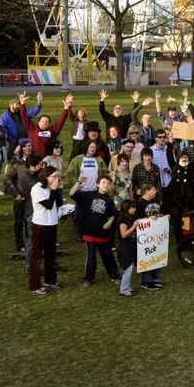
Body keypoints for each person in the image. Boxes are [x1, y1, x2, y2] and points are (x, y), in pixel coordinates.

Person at [71, 175, 120, 287]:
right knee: (91, 257)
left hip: (103, 234)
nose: (105, 185)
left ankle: (115, 276)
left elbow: (113, 214)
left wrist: (109, 223)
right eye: (103, 182)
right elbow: (72, 193)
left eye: (107, 183)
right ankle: (88, 278)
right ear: (97, 184)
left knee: (108, 256)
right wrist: (79, 182)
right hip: (89, 233)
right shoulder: (89, 195)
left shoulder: (109, 200)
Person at [28, 167, 63, 295]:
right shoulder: (36, 189)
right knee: (36, 256)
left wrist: (56, 189)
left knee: (51, 254)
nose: (56, 179)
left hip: (52, 224)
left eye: (57, 176)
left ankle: (50, 279)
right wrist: (53, 189)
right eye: (53, 176)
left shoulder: (51, 187)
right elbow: (48, 205)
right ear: (46, 176)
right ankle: (34, 284)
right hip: (40, 226)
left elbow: (58, 202)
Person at [18, 92, 73, 157]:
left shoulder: (53, 130)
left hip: (48, 159)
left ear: (49, 124)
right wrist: (22, 103)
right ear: (38, 123)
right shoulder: (32, 128)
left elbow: (61, 120)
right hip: (34, 158)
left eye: (47, 121)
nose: (44, 123)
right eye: (43, 121)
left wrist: (66, 107)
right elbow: (24, 116)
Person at [134, 184, 163, 290]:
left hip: (156, 234)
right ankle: (146, 281)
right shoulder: (139, 204)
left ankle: (155, 279)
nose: (156, 191)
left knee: (156, 255)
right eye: (154, 189)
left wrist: (165, 217)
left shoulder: (156, 200)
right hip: (145, 236)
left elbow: (159, 213)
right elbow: (136, 220)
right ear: (146, 191)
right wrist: (147, 219)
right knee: (147, 257)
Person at [116, 200, 139, 297]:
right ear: (127, 208)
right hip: (125, 247)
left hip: (129, 246)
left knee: (129, 268)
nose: (135, 209)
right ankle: (124, 289)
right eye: (133, 207)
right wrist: (134, 226)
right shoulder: (122, 220)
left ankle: (128, 287)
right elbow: (124, 234)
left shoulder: (128, 218)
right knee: (128, 268)